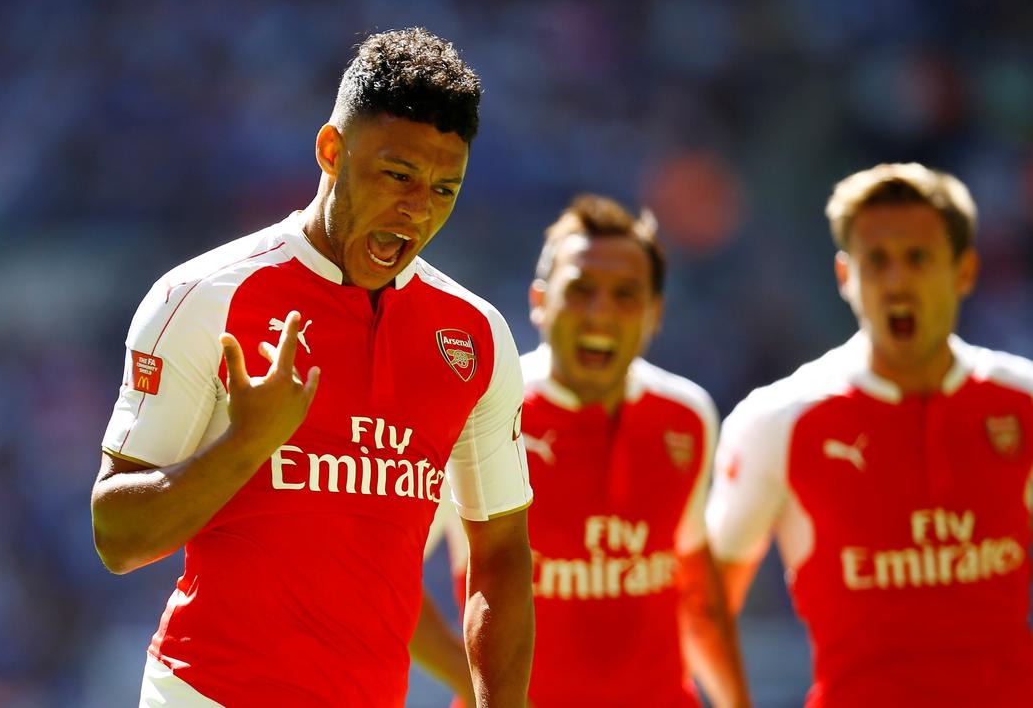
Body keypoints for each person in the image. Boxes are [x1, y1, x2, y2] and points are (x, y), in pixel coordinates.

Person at [90, 28, 534, 707]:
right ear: (331, 150)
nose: (416, 210)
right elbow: (116, 538)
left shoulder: (473, 335)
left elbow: (498, 552)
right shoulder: (205, 297)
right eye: (397, 175)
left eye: (445, 188)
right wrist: (247, 444)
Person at [706, 163, 1033, 707]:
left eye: (918, 258)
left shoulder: (1021, 403)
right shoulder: (780, 420)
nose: (897, 280)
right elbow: (704, 604)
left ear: (965, 270)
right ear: (844, 276)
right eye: (875, 260)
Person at [413, 194, 750, 707]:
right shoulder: (479, 412)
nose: (600, 313)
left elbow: (696, 596)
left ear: (655, 312)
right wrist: (486, 689)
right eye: (581, 290)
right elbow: (387, 578)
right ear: (539, 301)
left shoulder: (687, 416)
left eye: (625, 294)